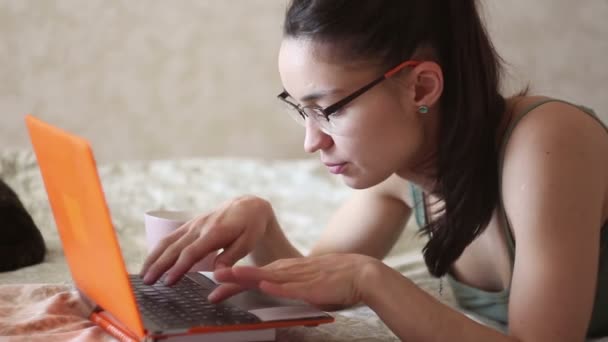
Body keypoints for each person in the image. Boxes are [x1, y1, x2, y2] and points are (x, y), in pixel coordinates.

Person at [140, 0, 608, 340]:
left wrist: (373, 279)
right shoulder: (401, 174)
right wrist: (259, 219)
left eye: (330, 109)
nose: (311, 141)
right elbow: (313, 286)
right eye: (301, 110)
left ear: (421, 87)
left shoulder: (549, 143)